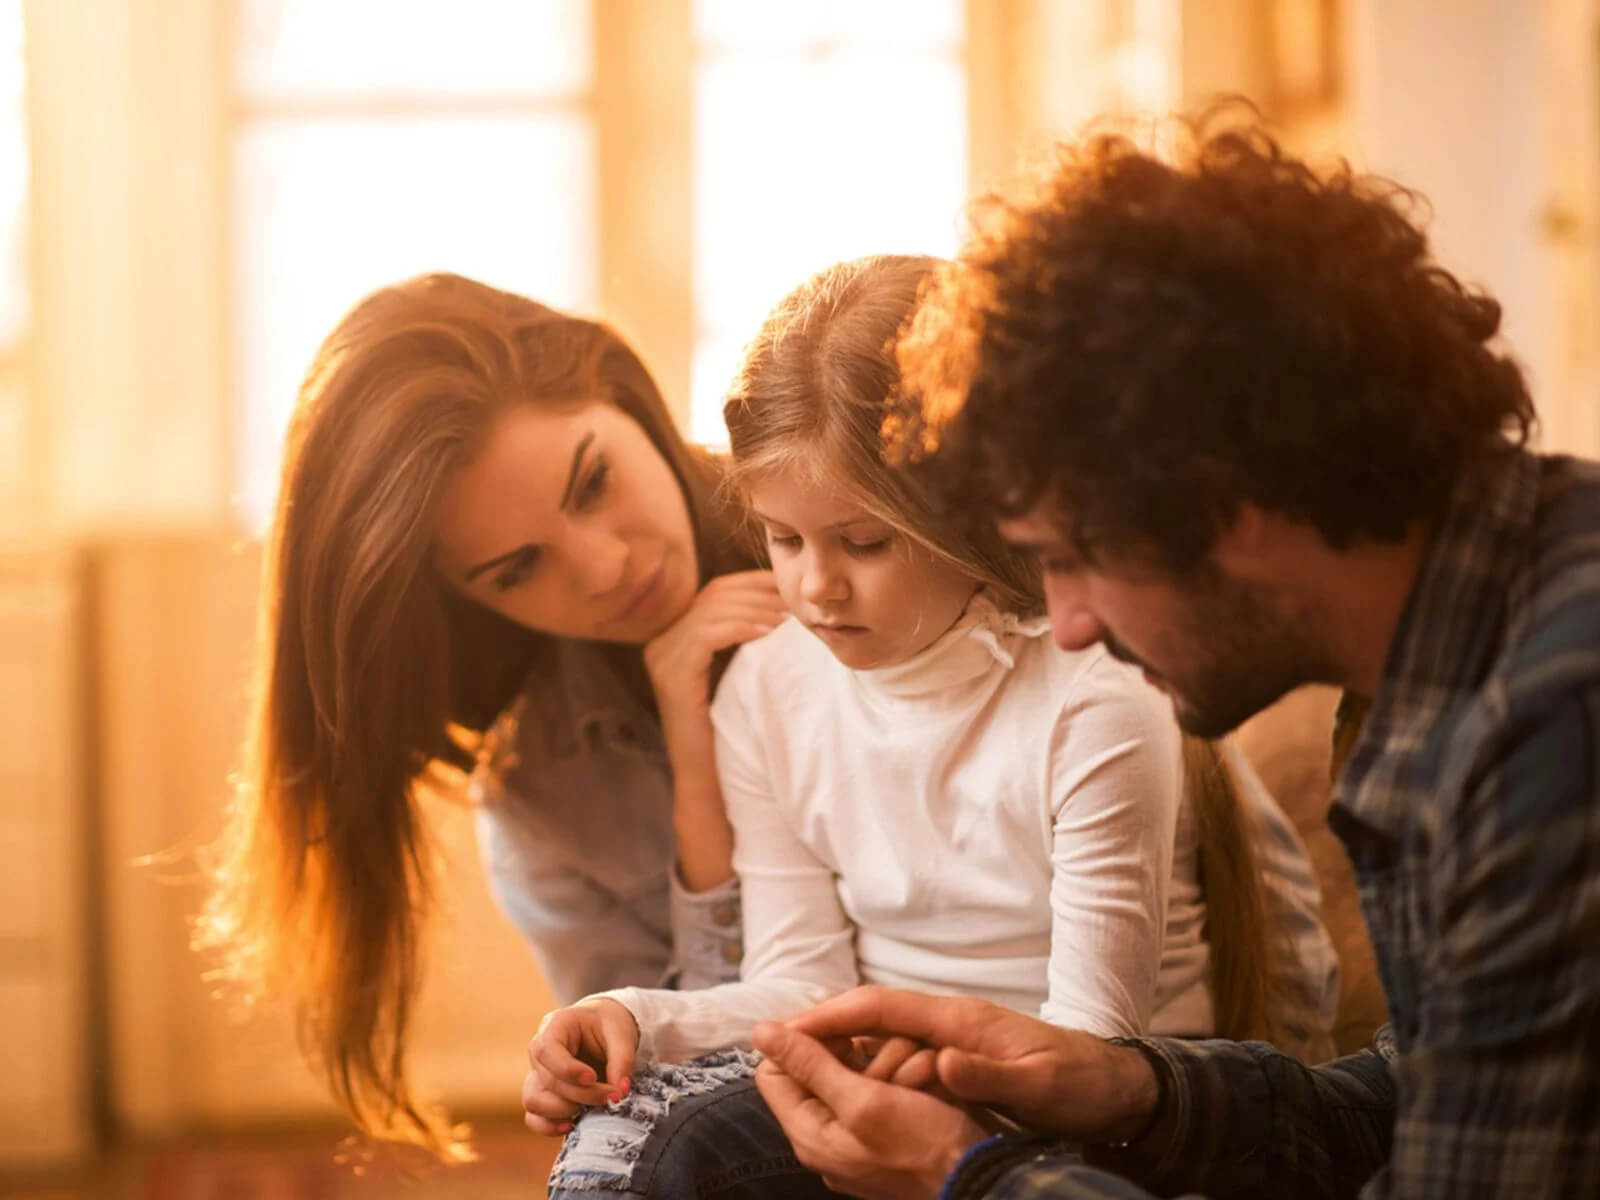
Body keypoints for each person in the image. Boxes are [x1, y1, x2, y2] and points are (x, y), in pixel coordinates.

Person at [747, 114, 1600, 1198]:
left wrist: (970, 1175)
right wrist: (1132, 1088)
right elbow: (1426, 1092)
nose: (1066, 625)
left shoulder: (1549, 730)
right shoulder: (1451, 652)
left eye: (1071, 559)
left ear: (1222, 504)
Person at [525, 255, 1339, 1196]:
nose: (816, 588)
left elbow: (1090, 1059)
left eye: (865, 543)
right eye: (784, 539)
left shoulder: (1096, 688)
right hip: (891, 1087)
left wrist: (915, 1114)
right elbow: (805, 992)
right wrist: (632, 1014)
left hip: (1094, 1118)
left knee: (685, 1150)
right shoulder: (767, 686)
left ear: (975, 515)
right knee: (630, 1137)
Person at [193, 273, 785, 1154]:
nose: (603, 567)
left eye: (593, 482)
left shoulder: (867, 532)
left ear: (622, 391)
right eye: (516, 570)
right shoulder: (541, 794)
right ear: (470, 604)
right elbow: (684, 1084)